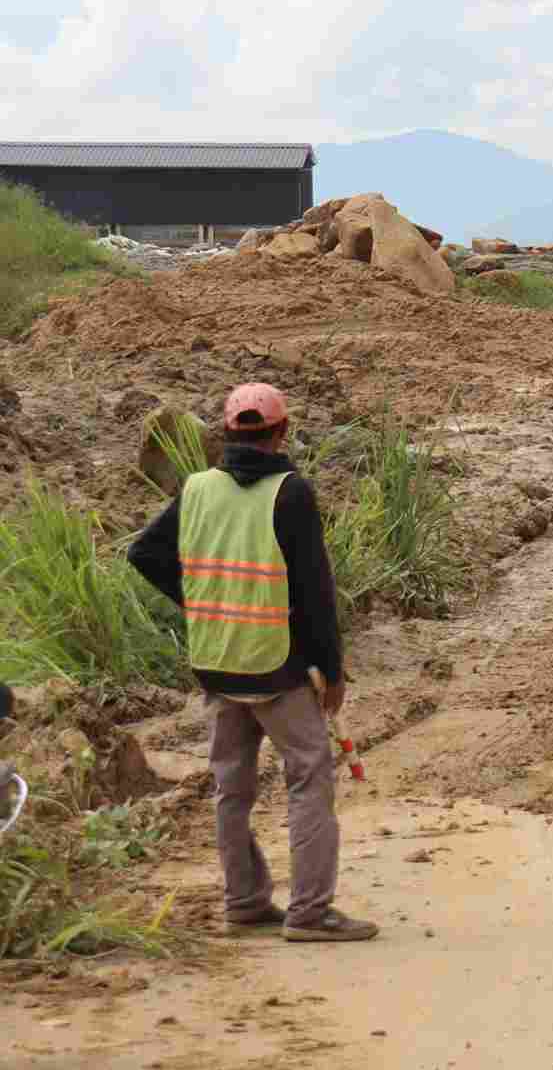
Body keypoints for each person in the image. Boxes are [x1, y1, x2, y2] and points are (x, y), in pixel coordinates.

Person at [128, 383, 377, 943]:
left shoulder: (196, 489)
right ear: (282, 432)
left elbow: (143, 552)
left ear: (226, 433)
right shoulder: (291, 493)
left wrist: (201, 603)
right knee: (309, 776)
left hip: (217, 661)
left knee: (231, 786)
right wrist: (331, 671)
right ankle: (310, 912)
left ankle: (244, 901)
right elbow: (315, 592)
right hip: (275, 668)